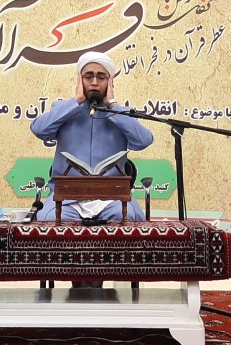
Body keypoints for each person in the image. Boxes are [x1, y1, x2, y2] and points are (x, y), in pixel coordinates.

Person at [31, 51, 154, 224]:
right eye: (88, 76)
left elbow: (144, 141)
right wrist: (76, 101)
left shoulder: (120, 114)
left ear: (110, 82)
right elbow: (39, 129)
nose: (94, 82)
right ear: (79, 80)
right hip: (67, 197)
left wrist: (113, 107)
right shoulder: (64, 109)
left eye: (101, 77)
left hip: (112, 198)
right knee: (49, 220)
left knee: (127, 218)